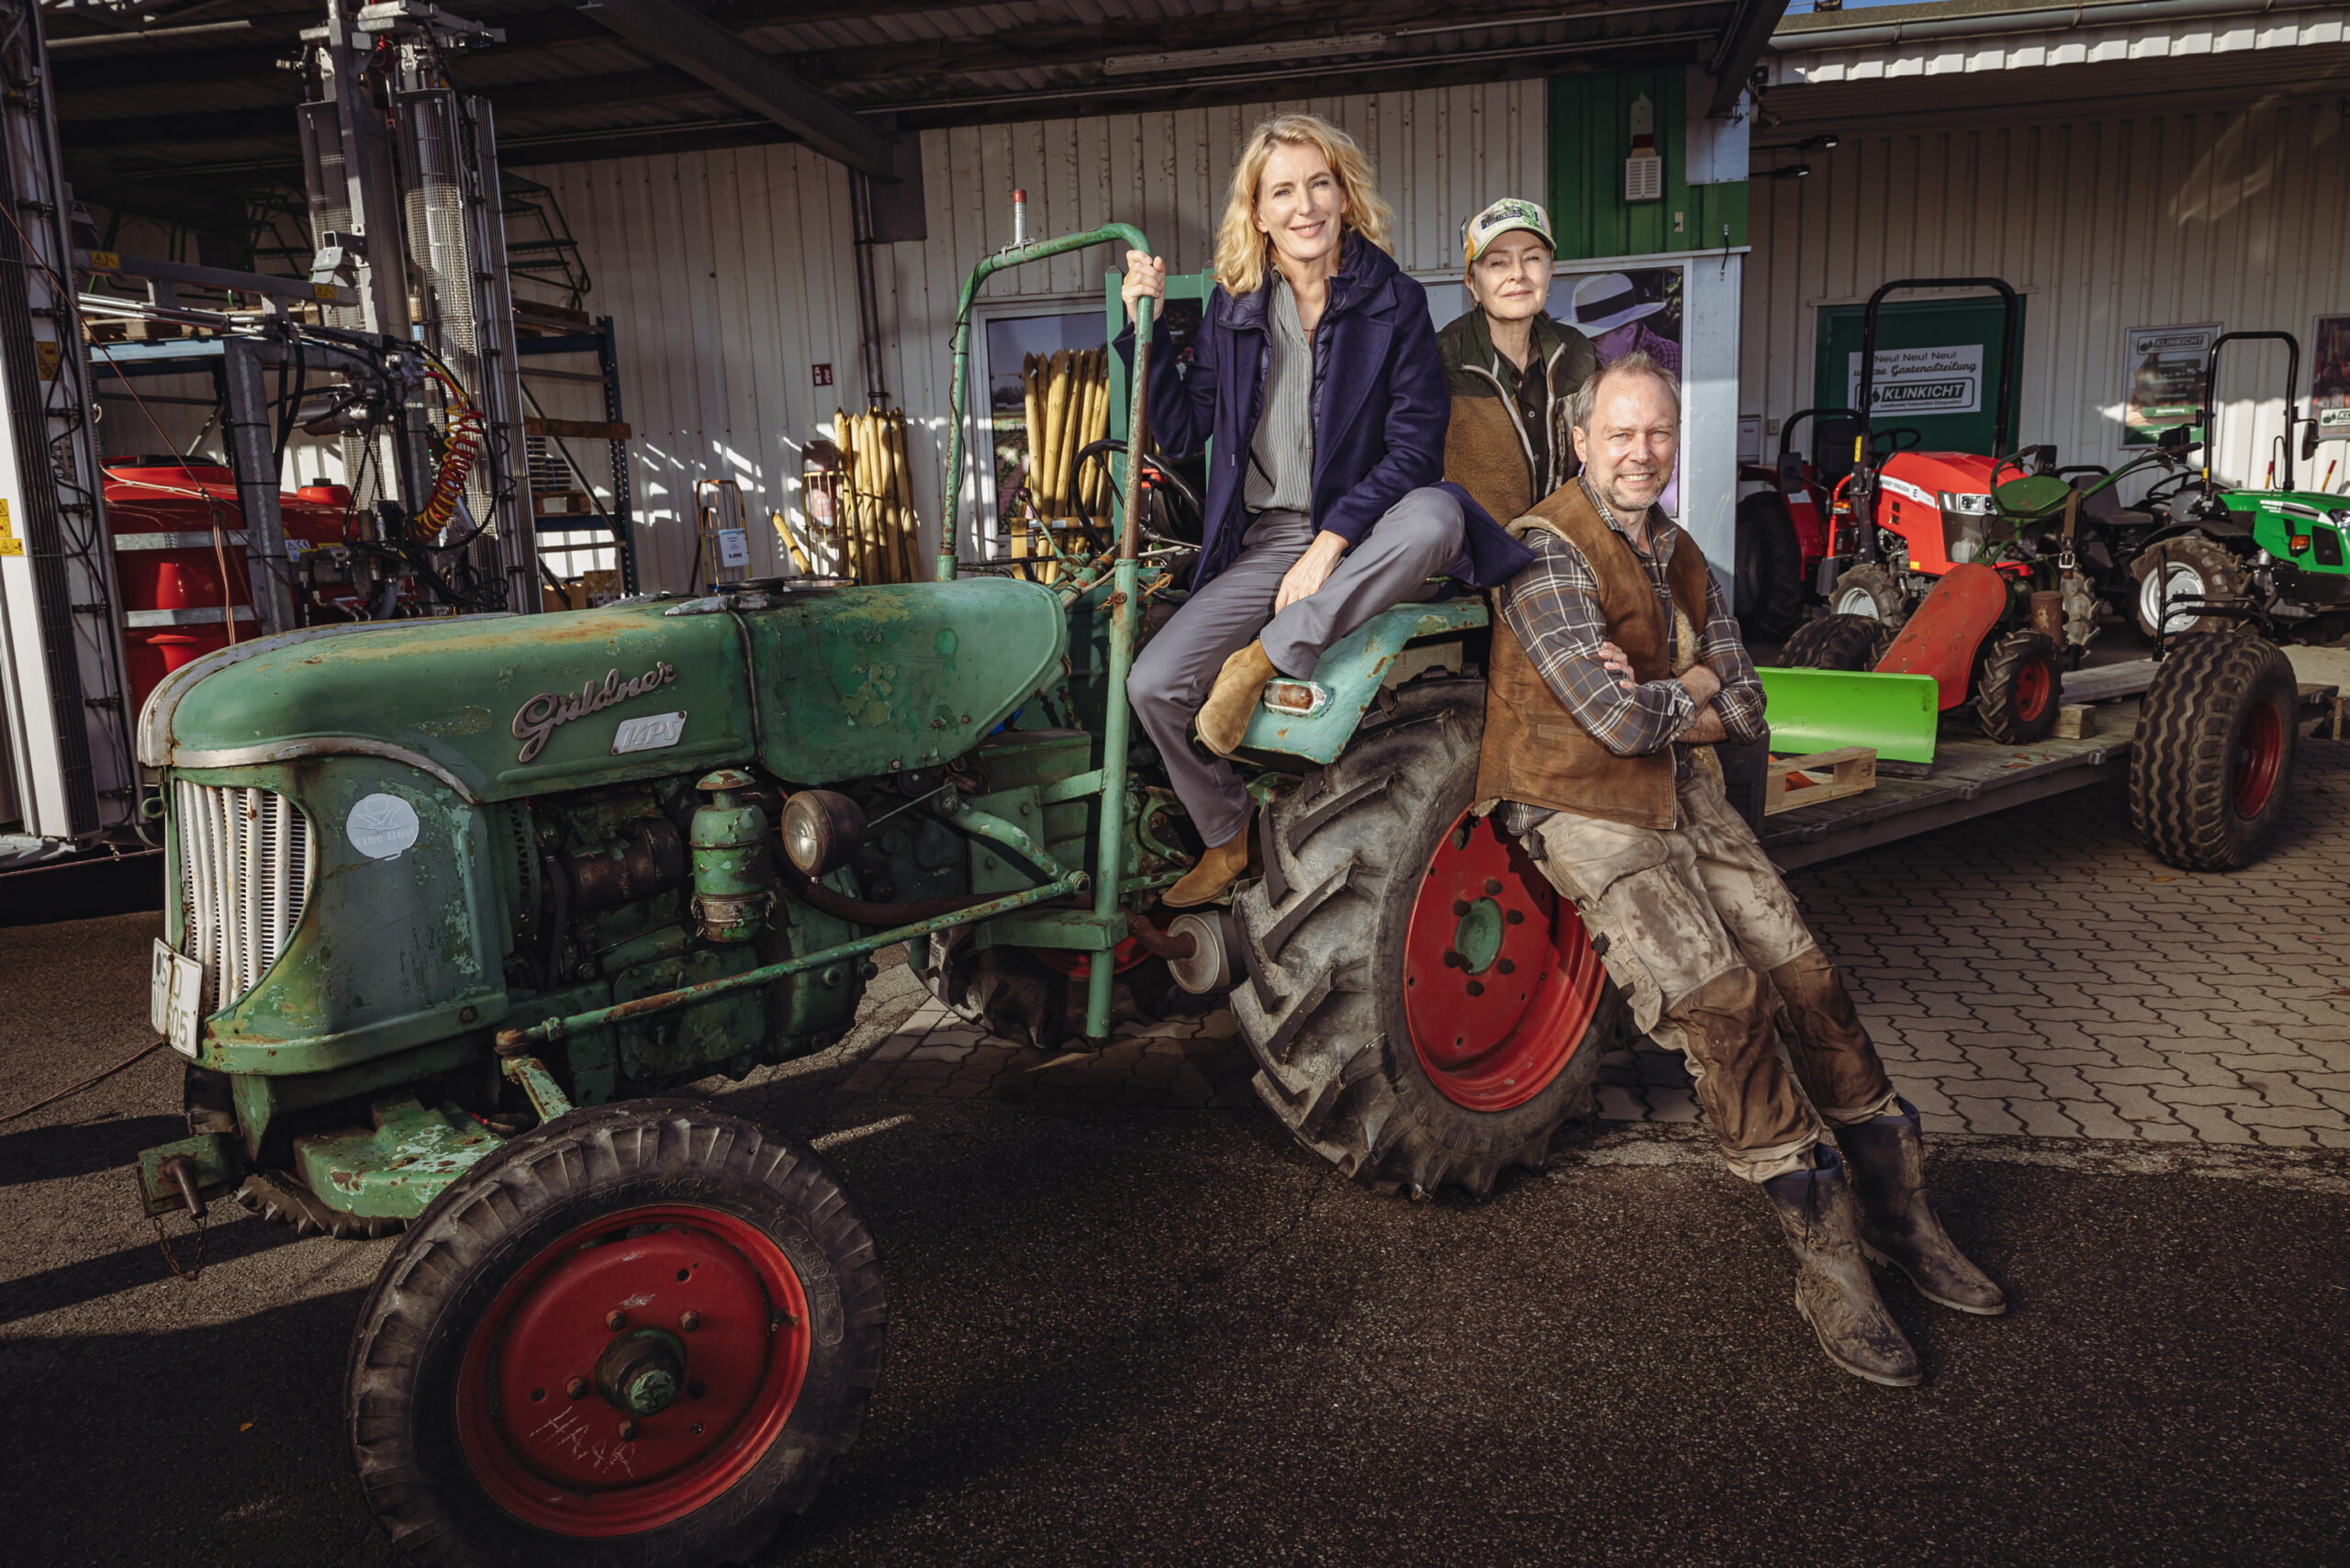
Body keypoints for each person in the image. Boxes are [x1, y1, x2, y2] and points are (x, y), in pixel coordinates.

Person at [1480, 353, 2005, 1387]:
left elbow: (1749, 702)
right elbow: (1616, 720)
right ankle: (1827, 1261)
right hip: (1583, 804)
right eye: (1619, 433)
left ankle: (1902, 1217)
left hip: (1685, 791)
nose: (1640, 452)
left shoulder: (1679, 552)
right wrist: (1692, 686)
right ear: (1580, 439)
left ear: (1675, 444)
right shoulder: (1542, 553)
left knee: (1810, 979)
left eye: (1658, 434)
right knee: (1725, 1004)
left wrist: (1683, 686)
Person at [1117, 113, 1532, 908]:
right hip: (1270, 538)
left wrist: (1334, 539)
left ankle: (1266, 658)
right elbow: (1177, 430)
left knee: (1441, 516)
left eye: (1319, 183)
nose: (1304, 204)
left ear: (1344, 195)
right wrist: (1143, 326)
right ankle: (1224, 833)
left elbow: (1414, 449)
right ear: (1259, 211)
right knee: (1154, 683)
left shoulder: (1394, 300)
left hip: (1377, 527)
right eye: (1283, 190)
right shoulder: (1234, 307)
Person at [1437, 197, 1598, 523]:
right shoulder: (1440, 357)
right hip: (1472, 554)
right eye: (1498, 263)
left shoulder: (1577, 350)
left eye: (1532, 259)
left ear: (1550, 272)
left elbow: (1602, 449)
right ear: (1473, 284)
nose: (1518, 274)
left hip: (1559, 542)